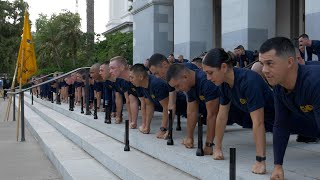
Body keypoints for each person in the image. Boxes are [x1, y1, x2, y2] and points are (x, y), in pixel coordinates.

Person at [202, 48, 274, 174]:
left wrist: (260, 161)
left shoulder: (249, 81)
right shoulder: (223, 83)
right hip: (261, 120)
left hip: (284, 120)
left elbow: (258, 122)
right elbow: (222, 116)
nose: (208, 78)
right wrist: (217, 148)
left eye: (210, 73)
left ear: (223, 67)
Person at [259, 37, 320, 180]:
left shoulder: (314, 82)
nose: (264, 70)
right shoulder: (279, 86)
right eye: (262, 64)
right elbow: (281, 124)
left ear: (290, 62)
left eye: (270, 63)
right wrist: (278, 166)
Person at [166, 64, 219, 155]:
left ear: (185, 77)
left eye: (177, 86)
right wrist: (189, 137)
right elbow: (192, 112)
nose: (177, 90)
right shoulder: (189, 85)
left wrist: (208, 144)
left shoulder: (206, 82)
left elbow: (213, 115)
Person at [129, 64, 169, 138]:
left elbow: (167, 107)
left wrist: (163, 129)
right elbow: (149, 105)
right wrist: (147, 127)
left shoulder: (156, 83)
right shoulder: (143, 85)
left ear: (141, 77)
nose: (130, 80)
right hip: (162, 106)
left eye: (132, 77)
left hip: (181, 105)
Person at [109, 56, 140, 127]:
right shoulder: (125, 81)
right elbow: (131, 101)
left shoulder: (137, 78)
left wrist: (145, 125)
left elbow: (145, 103)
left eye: (112, 68)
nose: (110, 71)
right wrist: (132, 121)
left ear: (122, 67)